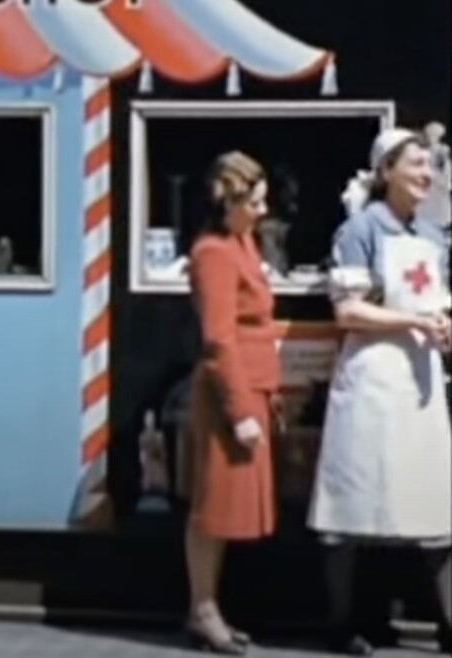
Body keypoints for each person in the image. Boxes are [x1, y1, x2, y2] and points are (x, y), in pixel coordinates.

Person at [310, 128, 451, 656]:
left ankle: (448, 622)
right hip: (371, 377)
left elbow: (442, 299)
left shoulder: (434, 237)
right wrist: (411, 319)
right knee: (352, 504)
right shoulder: (360, 231)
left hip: (420, 379)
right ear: (386, 170)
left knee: (436, 504)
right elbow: (347, 311)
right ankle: (342, 622)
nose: (426, 174)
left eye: (430, 165)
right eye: (415, 163)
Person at [184, 151, 281, 655]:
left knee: (228, 508)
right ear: (229, 202)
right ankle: (203, 608)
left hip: (253, 387)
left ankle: (210, 606)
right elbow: (219, 338)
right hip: (230, 396)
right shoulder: (213, 254)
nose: (263, 211)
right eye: (255, 202)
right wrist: (241, 411)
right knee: (213, 510)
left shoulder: (244, 241)